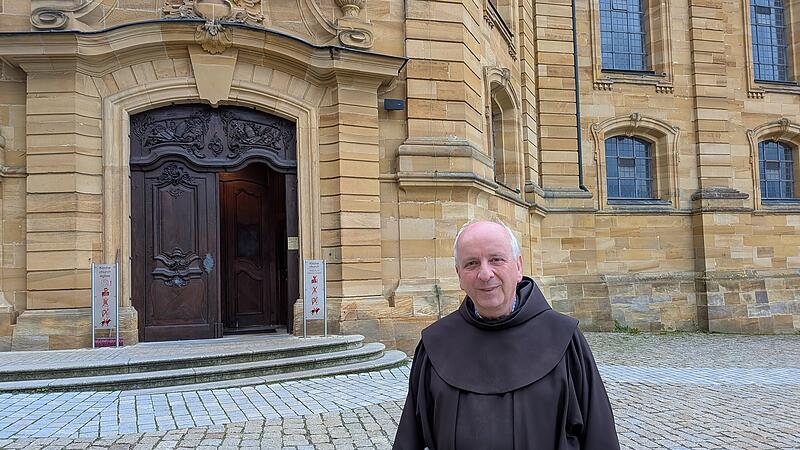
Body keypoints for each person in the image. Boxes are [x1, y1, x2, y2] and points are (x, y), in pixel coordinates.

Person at [393, 219, 620, 450]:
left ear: (518, 266)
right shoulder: (436, 344)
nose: (485, 273)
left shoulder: (564, 338)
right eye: (471, 263)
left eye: (496, 259)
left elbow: (598, 434)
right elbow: (409, 438)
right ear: (459, 275)